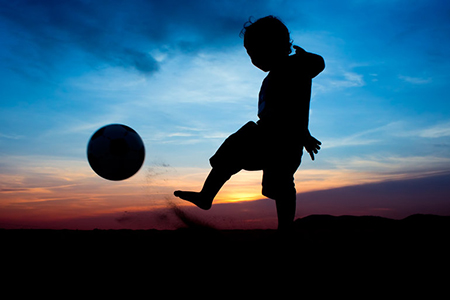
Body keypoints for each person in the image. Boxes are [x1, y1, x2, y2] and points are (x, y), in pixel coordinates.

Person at [174, 16, 324, 231]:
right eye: (249, 54)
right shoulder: (279, 73)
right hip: (268, 134)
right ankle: (206, 195)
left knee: (280, 184)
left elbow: (315, 69)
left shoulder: (293, 67)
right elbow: (296, 106)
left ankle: (285, 229)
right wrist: (305, 134)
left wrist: (305, 57)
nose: (252, 59)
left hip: (284, 139)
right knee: (233, 151)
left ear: (273, 46)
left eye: (254, 52)